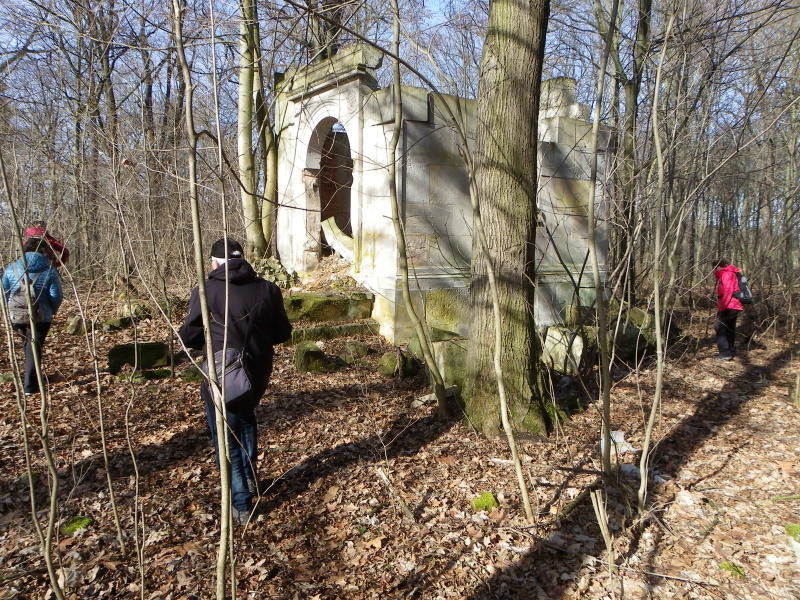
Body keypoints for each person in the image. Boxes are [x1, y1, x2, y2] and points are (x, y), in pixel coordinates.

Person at [179, 238, 292, 524]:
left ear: (215, 262)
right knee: (244, 419)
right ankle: (251, 478)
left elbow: (189, 336)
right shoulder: (268, 289)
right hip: (257, 372)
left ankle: (241, 502)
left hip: (221, 374)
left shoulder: (206, 291)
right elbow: (282, 333)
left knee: (226, 436)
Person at [2, 237, 64, 395]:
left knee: (29, 346)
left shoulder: (11, 268)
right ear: (43, 251)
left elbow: (3, 292)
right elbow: (56, 295)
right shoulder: (49, 270)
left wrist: (7, 310)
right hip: (41, 316)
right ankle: (29, 386)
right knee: (33, 347)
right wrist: (52, 310)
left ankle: (33, 378)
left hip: (16, 316)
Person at [713, 258, 743, 360]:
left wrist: (723, 307)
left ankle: (725, 354)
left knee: (720, 328)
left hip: (729, 305)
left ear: (718, 266)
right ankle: (730, 351)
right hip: (734, 305)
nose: (714, 270)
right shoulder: (730, 273)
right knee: (729, 328)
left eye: (715, 268)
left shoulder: (726, 274)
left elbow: (728, 291)